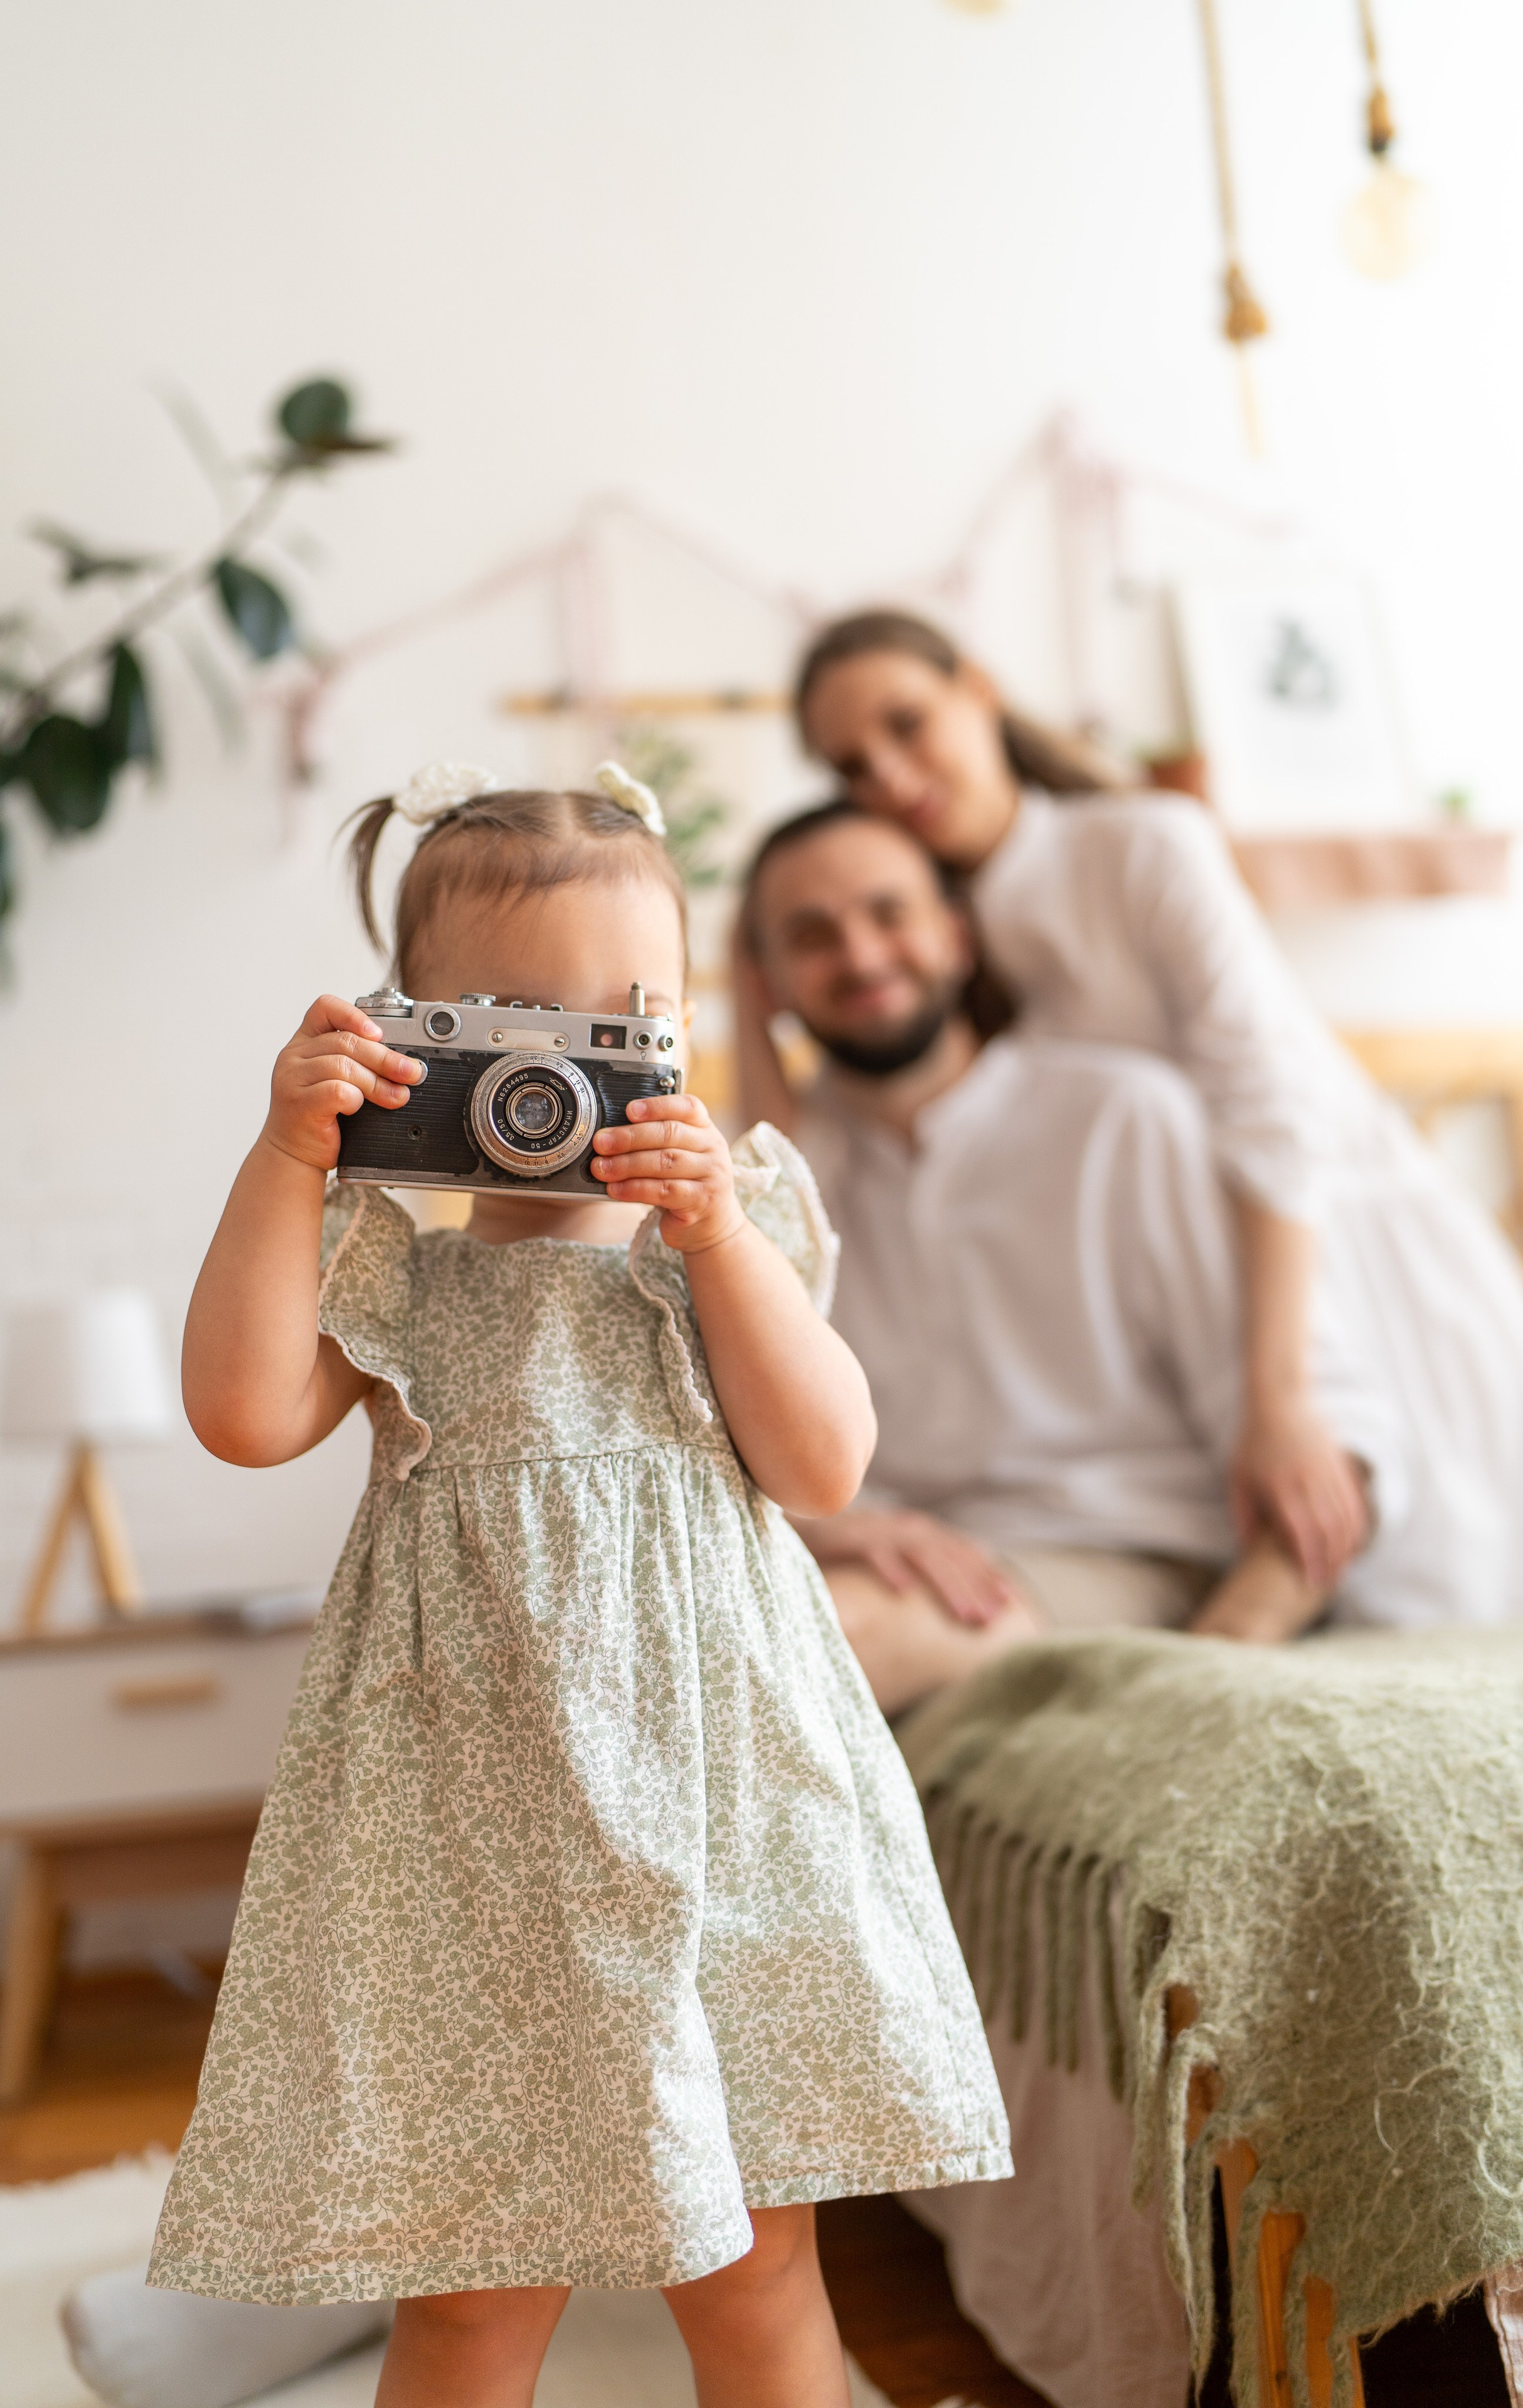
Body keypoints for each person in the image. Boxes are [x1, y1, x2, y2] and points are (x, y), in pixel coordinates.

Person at [149, 762, 1010, 2408]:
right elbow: (243, 1412)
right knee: (472, 2299)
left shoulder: (725, 1236)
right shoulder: (384, 1250)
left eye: (632, 1022)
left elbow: (826, 1464)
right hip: (473, 1852)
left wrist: (715, 1246)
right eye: (518, 1023)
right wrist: (288, 1150)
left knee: (756, 2281)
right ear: (415, 1032)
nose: (565, 1070)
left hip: (723, 1819)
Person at [765, 607, 1523, 1634]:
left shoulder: (1144, 845)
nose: (890, 778)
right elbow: (782, 1177)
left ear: (978, 693)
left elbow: (1271, 1109)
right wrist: (746, 973)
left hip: (1327, 1236)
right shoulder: (947, 933)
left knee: (1461, 1573)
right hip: (1215, 1270)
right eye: (852, 766)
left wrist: (1281, 1390)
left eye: (909, 724)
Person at [740, 800, 1414, 1714]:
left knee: (803, 1638)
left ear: (959, 934)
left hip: (1136, 1554)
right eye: (811, 936)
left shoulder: (1122, 1118)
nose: (861, 956)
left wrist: (1211, 1669)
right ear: (768, 981)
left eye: (889, 913)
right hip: (936, 1561)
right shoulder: (776, 1192)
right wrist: (834, 1531)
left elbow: (1338, 1446)